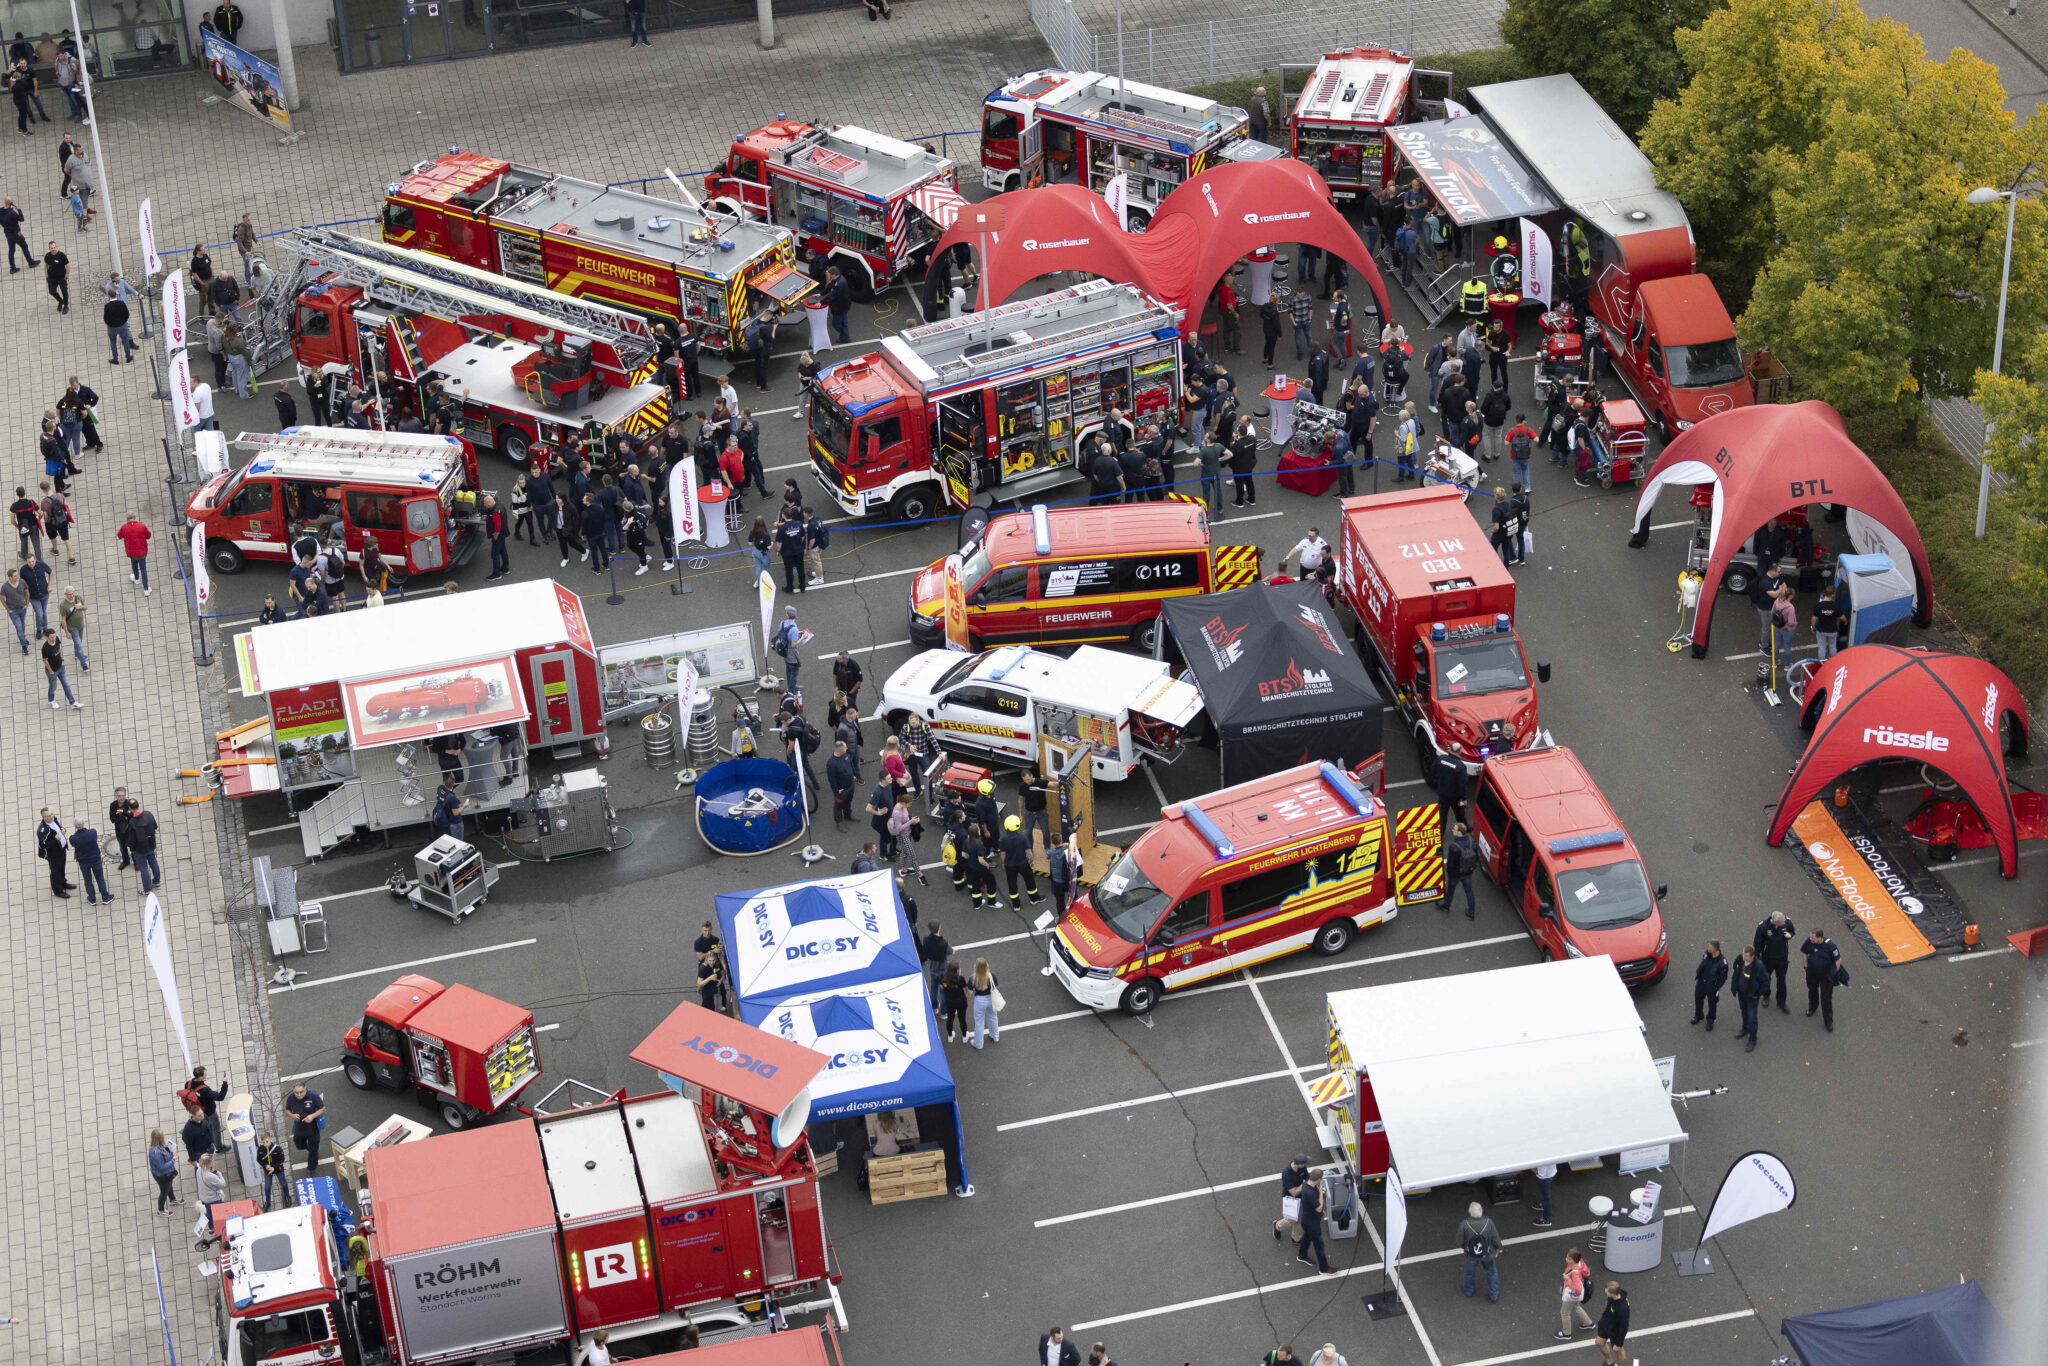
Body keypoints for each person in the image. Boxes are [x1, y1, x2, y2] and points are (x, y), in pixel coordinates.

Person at [1457, 1200, 1502, 1301]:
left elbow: (1459, 1241)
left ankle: (1468, 1291)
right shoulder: (1488, 1222)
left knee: (1469, 1273)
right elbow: (1495, 1237)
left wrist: (1466, 1247)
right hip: (1487, 1253)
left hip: (1471, 1254)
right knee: (1491, 1272)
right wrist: (1499, 1248)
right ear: (1481, 1210)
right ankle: (1493, 1294)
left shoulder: (1465, 1224)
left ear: (1470, 1212)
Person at [1753, 910, 1796, 1013]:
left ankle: (1781, 1002)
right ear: (1775, 922)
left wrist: (1790, 935)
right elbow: (1757, 944)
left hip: (1782, 958)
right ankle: (1766, 996)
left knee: (1782, 979)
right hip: (1768, 958)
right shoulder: (1763, 927)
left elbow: (1792, 931)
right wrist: (1758, 959)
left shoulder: (1787, 922)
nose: (1784, 923)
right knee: (1766, 978)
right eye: (1782, 923)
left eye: (1784, 921)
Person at [1295, 1165, 1336, 1273]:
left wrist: (1320, 1210)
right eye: (1321, 1179)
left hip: (1307, 1220)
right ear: (1318, 1179)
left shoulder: (1306, 1185)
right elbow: (1318, 1207)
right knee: (1319, 1246)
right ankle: (1324, 1269)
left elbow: (1313, 1206)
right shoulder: (1310, 1192)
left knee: (1307, 1238)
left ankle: (1302, 1255)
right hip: (1312, 1223)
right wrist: (1321, 1193)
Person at [1802, 926, 1843, 1031]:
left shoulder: (1831, 946)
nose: (1811, 939)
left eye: (1813, 938)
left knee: (1826, 998)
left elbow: (1838, 960)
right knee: (1812, 990)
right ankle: (1813, 1007)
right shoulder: (1809, 941)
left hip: (1826, 976)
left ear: (1820, 937)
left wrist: (1834, 973)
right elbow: (1805, 952)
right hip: (1812, 972)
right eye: (1810, 937)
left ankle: (1828, 1021)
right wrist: (1805, 965)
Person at [1730, 944, 1769, 1052]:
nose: (1744, 957)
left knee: (1752, 1018)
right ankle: (1745, 1029)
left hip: (1752, 997)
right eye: (1743, 954)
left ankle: (1752, 1039)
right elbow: (1735, 967)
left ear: (1752, 956)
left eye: (1746, 956)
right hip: (1741, 994)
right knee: (1743, 1012)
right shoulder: (1740, 959)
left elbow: (1766, 982)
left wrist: (1757, 994)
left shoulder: (1759, 966)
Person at [998, 814, 1041, 908]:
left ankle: (1016, 905)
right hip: (1023, 864)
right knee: (1029, 881)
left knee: (1012, 884)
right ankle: (1034, 899)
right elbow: (1028, 852)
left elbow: (1002, 854)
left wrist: (1004, 863)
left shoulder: (1003, 839)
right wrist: (1031, 861)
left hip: (1010, 866)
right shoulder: (1022, 838)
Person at [284, 1082, 326, 1171]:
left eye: (301, 1092)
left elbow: (322, 1109)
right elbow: (287, 1110)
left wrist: (312, 1116)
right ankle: (311, 1149)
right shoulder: (291, 1097)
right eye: (296, 1092)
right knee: (299, 1146)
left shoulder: (313, 1095)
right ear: (293, 1091)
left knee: (313, 1150)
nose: (299, 1095)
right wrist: (292, 1115)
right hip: (298, 1128)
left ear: (305, 1089)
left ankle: (312, 1167)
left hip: (312, 1129)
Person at [1556, 1249, 1596, 1339]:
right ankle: (1588, 1323)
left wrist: (1567, 1279)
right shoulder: (1580, 1263)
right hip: (1576, 1296)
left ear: (1574, 1260)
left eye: (1568, 1258)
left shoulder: (1575, 1273)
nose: (1566, 1259)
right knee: (1576, 1307)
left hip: (1571, 1295)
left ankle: (1566, 1333)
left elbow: (1577, 1288)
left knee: (1564, 1312)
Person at [1273, 1153, 1310, 1243]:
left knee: (1298, 1218)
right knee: (1291, 1220)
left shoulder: (1302, 1168)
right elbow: (1293, 1192)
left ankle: (1296, 1238)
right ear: (1299, 1164)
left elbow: (1308, 1178)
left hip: (1300, 1195)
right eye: (1304, 1163)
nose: (1305, 1165)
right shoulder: (1286, 1174)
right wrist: (1304, 1185)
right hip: (1290, 1198)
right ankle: (1277, 1226)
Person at [70, 817, 108, 904]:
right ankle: (105, 897)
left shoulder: (73, 838)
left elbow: (73, 844)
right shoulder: (92, 832)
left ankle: (92, 899)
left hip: (83, 862)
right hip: (96, 859)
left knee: (87, 880)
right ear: (83, 824)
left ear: (75, 826)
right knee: (100, 878)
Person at [1594, 1281, 1631, 1365]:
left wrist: (1619, 1343)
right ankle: (1609, 1362)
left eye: (1606, 1290)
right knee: (1599, 1343)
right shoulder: (1613, 1296)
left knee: (1619, 1352)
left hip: (1615, 1331)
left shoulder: (1623, 1308)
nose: (1605, 1291)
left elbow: (1624, 1327)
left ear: (1612, 1293)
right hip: (1605, 1324)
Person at [42, 629, 80, 709]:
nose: (54, 638)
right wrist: (51, 671)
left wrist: (62, 660)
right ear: (47, 638)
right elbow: (45, 660)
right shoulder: (45, 648)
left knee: (66, 685)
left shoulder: (57, 639)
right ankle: (51, 700)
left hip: (61, 667)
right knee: (53, 687)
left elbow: (59, 649)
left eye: (54, 636)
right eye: (52, 637)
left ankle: (72, 702)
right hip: (52, 671)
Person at [148, 1130, 182, 1216]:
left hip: (165, 1174)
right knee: (164, 1192)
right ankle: (161, 1210)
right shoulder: (156, 1153)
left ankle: (172, 1199)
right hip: (162, 1175)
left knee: (169, 1186)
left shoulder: (158, 1146)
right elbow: (162, 1167)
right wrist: (173, 1159)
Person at [969, 956, 1000, 1048]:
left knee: (979, 1022)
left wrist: (975, 990)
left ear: (976, 967)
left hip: (979, 1000)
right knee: (993, 1017)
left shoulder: (973, 978)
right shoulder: (992, 975)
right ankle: (995, 1036)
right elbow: (995, 985)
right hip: (991, 998)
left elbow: (970, 992)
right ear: (987, 965)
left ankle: (978, 1043)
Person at [117, 511, 151, 593]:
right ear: (135, 518)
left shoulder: (124, 527)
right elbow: (148, 536)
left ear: (127, 519)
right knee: (143, 569)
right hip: (142, 552)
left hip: (131, 552)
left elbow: (119, 535)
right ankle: (146, 589)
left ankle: (136, 579)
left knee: (134, 565)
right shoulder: (141, 525)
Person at [256, 1132, 290, 1210]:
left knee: (283, 1183)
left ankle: (287, 1196)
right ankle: (267, 1202)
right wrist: (265, 1166)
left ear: (270, 1140)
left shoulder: (277, 1149)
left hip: (278, 1169)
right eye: (263, 1142)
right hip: (268, 1170)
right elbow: (259, 1159)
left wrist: (274, 1167)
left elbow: (282, 1159)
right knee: (267, 1187)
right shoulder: (260, 1149)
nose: (265, 1144)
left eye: (267, 1141)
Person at [197, 1154, 227, 1222]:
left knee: (209, 1214)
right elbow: (222, 1184)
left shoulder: (199, 1169)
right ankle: (219, 1227)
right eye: (213, 1161)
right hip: (213, 1199)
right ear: (209, 1164)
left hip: (204, 1198)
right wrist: (219, 1173)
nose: (214, 1162)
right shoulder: (211, 1176)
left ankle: (211, 1229)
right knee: (219, 1215)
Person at [1532, 1161, 1556, 1228]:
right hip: (1550, 1174)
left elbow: (1541, 1174)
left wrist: (1529, 1167)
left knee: (1546, 1198)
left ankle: (1546, 1219)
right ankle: (1543, 1205)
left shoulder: (1542, 1161)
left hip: (1544, 1179)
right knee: (1545, 1196)